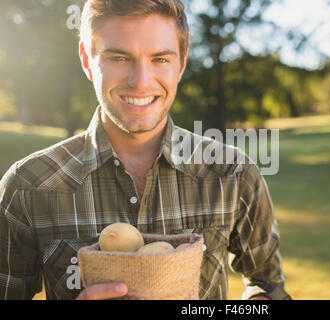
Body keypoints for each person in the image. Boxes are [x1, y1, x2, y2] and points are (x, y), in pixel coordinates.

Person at [0, 0, 290, 300]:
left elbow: (267, 286)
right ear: (87, 60)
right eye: (119, 58)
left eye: (160, 59)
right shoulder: (27, 186)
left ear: (182, 63)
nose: (140, 82)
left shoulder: (233, 173)